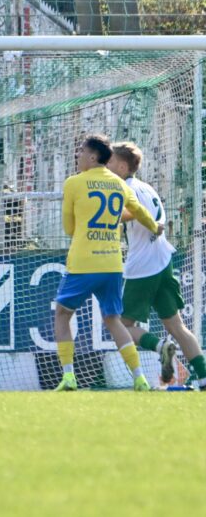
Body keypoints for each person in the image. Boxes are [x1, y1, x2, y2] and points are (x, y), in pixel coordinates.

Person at [53, 134, 164, 392]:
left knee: (62, 314)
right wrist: (155, 227)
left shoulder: (74, 183)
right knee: (114, 320)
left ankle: (69, 377)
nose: (77, 155)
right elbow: (138, 211)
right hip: (113, 264)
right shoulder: (119, 184)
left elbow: (69, 228)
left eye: (81, 151)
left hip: (83, 263)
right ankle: (139, 378)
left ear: (93, 157)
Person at [107, 141, 206, 390]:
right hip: (163, 260)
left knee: (119, 325)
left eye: (109, 163)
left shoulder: (125, 189)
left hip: (142, 267)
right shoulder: (146, 187)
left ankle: (160, 347)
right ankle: (204, 378)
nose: (106, 167)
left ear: (120, 165)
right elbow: (153, 219)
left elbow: (128, 215)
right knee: (177, 326)